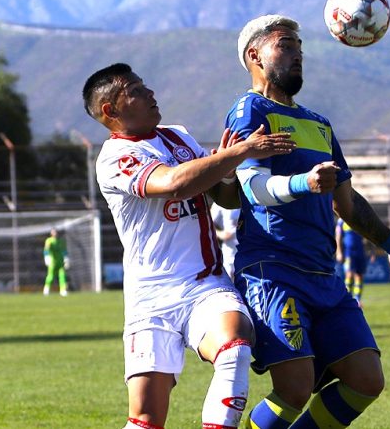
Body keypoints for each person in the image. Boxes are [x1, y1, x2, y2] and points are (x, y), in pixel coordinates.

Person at [226, 15, 390, 428]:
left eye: (300, 47)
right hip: (272, 270)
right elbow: (252, 187)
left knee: (366, 381)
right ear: (254, 55)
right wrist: (304, 181)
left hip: (323, 274)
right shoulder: (249, 110)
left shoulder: (318, 123)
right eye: (285, 45)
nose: (297, 53)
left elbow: (347, 203)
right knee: (295, 389)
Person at [83, 62, 295, 428]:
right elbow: (176, 183)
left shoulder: (178, 136)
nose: (150, 93)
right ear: (110, 110)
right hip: (150, 298)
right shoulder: (114, 159)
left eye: (145, 84)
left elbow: (224, 197)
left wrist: (225, 170)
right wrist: (239, 152)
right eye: (135, 90)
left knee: (235, 346)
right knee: (146, 419)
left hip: (205, 284)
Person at [336, 218, 370, 306]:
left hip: (360, 252)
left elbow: (367, 235)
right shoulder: (342, 220)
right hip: (349, 252)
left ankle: (357, 299)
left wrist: (371, 249)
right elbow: (338, 236)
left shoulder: (359, 217)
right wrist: (339, 252)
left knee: (359, 276)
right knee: (349, 275)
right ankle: (347, 298)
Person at [211, 203, 241, 279]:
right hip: (230, 257)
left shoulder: (246, 198)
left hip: (247, 254)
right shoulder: (219, 203)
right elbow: (210, 223)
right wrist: (221, 234)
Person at [43, 228, 69, 297]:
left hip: (60, 262)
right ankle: (46, 289)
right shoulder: (49, 240)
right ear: (51, 233)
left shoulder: (61, 241)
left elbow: (64, 251)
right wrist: (46, 258)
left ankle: (63, 290)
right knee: (50, 276)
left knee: (62, 276)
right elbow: (46, 250)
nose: (55, 233)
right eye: (53, 232)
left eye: (56, 232)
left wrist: (66, 259)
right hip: (52, 262)